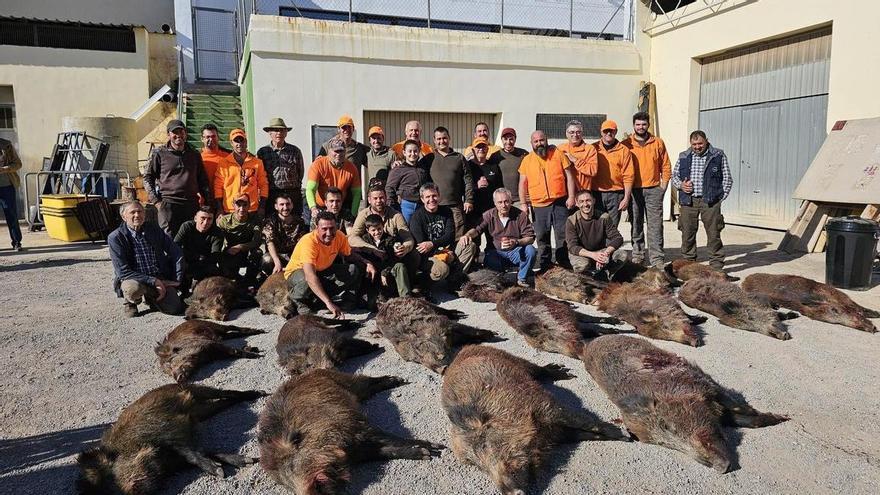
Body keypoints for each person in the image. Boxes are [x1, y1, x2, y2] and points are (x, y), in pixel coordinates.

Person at [284, 211, 377, 318]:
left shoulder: (339, 236)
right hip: (299, 274)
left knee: (353, 269)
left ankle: (348, 300)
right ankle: (297, 299)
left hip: (321, 271)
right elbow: (310, 276)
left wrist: (366, 262)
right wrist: (329, 302)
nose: (329, 233)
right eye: (324, 229)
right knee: (307, 280)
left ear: (336, 226)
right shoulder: (308, 242)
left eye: (332, 228)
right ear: (316, 228)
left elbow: (349, 254)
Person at [108, 201, 184, 317]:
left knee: (175, 308)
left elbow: (176, 251)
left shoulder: (153, 229)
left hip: (158, 275)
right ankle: (131, 302)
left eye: (140, 211)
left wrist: (176, 278)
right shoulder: (116, 237)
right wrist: (154, 282)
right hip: (134, 278)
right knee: (133, 289)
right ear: (124, 217)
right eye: (132, 212)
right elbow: (123, 271)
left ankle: (152, 297)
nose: (137, 215)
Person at [671, 130, 733, 269]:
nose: (697, 147)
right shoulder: (684, 156)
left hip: (710, 202)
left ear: (706, 141)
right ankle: (689, 264)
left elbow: (728, 178)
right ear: (690, 143)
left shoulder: (718, 155)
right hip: (688, 201)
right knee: (687, 233)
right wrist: (681, 185)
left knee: (713, 234)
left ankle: (716, 265)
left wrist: (719, 198)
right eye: (694, 144)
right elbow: (674, 175)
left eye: (700, 143)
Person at [518, 130, 577, 271]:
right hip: (538, 205)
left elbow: (569, 176)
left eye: (541, 140)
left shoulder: (558, 154)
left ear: (546, 140)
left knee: (562, 234)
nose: (539, 143)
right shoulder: (527, 160)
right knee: (542, 236)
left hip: (559, 202)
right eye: (536, 141)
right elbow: (522, 183)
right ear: (531, 143)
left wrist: (571, 196)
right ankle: (545, 264)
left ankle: (563, 262)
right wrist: (523, 204)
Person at [348, 186, 419, 296]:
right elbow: (353, 237)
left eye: (381, 198)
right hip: (372, 255)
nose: (378, 201)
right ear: (369, 199)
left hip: (391, 254)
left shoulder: (396, 215)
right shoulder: (363, 215)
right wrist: (372, 249)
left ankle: (410, 285)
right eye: (375, 198)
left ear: (386, 198)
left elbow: (408, 237)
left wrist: (405, 247)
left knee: (414, 254)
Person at [144, 119, 210, 237]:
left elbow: (202, 180)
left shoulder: (194, 154)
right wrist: (157, 202)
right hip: (169, 203)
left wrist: (208, 203)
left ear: (186, 134)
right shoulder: (159, 153)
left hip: (191, 204)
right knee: (168, 239)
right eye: (175, 132)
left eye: (181, 132)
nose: (178, 135)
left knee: (191, 238)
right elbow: (148, 178)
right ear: (168, 134)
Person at [459, 188, 536, 287]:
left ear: (511, 201)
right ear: (495, 203)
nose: (503, 205)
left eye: (506, 201)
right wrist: (467, 235)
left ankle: (522, 278)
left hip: (515, 251)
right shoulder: (488, 215)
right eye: (500, 202)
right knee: (495, 273)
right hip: (495, 252)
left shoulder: (520, 215)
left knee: (530, 250)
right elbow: (477, 229)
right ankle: (501, 278)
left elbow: (530, 238)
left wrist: (516, 242)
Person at [622, 112, 671, 267]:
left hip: (653, 189)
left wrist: (663, 186)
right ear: (633, 125)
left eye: (643, 124)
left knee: (655, 226)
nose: (640, 127)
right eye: (637, 124)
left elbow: (666, 166)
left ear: (648, 124)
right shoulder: (626, 144)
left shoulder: (658, 143)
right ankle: (638, 256)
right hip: (634, 191)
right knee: (636, 225)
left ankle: (657, 258)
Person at [408, 183, 476, 289]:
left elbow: (450, 235)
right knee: (442, 270)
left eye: (434, 195)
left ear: (439, 196)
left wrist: (434, 245)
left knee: (469, 246)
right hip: (428, 256)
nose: (432, 199)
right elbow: (421, 246)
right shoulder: (417, 217)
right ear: (422, 199)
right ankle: (422, 282)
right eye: (428, 197)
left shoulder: (446, 211)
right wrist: (440, 252)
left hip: (444, 249)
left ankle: (454, 280)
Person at [420, 126, 473, 239]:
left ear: (449, 139)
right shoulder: (429, 159)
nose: (442, 141)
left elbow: (468, 180)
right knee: (438, 238)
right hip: (435, 207)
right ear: (434, 140)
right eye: (438, 139)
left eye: (444, 138)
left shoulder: (459, 158)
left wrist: (469, 200)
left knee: (458, 238)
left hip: (455, 207)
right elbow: (416, 173)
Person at [350, 213, 413, 305]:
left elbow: (393, 259)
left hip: (387, 273)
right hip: (372, 275)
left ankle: (406, 298)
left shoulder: (390, 240)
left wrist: (385, 271)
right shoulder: (364, 241)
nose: (377, 232)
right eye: (373, 230)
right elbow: (361, 257)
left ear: (383, 226)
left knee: (400, 266)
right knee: (371, 305)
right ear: (367, 230)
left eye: (379, 229)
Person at [565, 190, 627, 276]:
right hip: (582, 253)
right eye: (581, 201)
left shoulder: (604, 217)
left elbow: (618, 238)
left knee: (622, 255)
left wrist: (605, 253)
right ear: (577, 204)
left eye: (588, 200)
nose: (585, 204)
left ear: (594, 201)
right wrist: (593, 255)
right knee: (582, 265)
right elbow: (572, 246)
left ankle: (608, 275)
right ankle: (586, 279)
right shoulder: (571, 220)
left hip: (601, 251)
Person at [214, 129, 269, 218]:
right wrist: (220, 208)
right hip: (230, 209)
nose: (239, 143)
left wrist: (262, 206)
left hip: (251, 209)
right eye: (236, 141)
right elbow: (218, 186)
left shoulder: (257, 163)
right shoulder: (223, 163)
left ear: (246, 142)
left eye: (242, 140)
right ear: (231, 143)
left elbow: (263, 185)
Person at [256, 117, 305, 217]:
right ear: (269, 133)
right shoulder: (262, 152)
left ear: (286, 133)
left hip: (292, 192)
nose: (279, 133)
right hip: (271, 193)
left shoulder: (295, 151)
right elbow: (260, 175)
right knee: (271, 221)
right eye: (276, 130)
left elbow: (300, 172)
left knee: (295, 220)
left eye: (282, 130)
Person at [306, 137, 361, 221]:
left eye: (341, 151)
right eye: (336, 151)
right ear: (328, 152)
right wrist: (313, 208)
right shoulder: (317, 165)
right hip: (320, 207)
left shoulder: (352, 168)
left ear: (345, 151)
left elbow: (357, 193)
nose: (338, 154)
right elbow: (310, 189)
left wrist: (353, 214)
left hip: (340, 207)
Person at [591, 120, 634, 227]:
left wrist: (626, 198)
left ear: (616, 132)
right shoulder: (593, 149)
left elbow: (628, 175)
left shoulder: (624, 151)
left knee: (612, 227)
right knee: (596, 226)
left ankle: (611, 244)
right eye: (606, 131)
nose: (609, 133)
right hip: (596, 193)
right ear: (601, 132)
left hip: (616, 194)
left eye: (612, 131)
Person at [216, 193, 263, 285]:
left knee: (258, 253)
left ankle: (250, 281)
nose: (241, 209)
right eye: (238, 205)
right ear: (233, 205)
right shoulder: (225, 221)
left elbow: (257, 241)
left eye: (245, 205)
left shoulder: (255, 219)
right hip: (230, 252)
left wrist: (241, 247)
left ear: (249, 205)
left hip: (247, 251)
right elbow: (217, 241)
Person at [174, 206, 224, 291]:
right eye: (203, 218)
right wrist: (194, 257)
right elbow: (175, 246)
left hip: (205, 262)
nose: (205, 222)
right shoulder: (187, 226)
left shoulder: (217, 232)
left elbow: (215, 255)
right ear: (195, 218)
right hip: (187, 259)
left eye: (209, 219)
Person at [466, 137, 503, 247]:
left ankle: (491, 259)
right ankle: (475, 260)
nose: (481, 149)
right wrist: (476, 186)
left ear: (487, 149)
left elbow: (499, 187)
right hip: (474, 209)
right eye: (478, 147)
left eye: (483, 147)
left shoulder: (494, 166)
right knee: (474, 238)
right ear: (473, 150)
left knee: (492, 237)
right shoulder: (468, 166)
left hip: (490, 208)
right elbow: (462, 186)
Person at [261, 193, 308, 276]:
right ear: (276, 206)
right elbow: (269, 242)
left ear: (292, 205)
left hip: (293, 256)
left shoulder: (299, 221)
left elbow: (302, 243)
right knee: (267, 260)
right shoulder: (270, 221)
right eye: (281, 204)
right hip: (277, 255)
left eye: (288, 204)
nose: (285, 208)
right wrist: (277, 261)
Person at [384, 139, 429, 222]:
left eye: (415, 151)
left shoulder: (422, 168)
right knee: (405, 230)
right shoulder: (398, 169)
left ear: (419, 151)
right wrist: (391, 206)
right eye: (410, 151)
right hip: (406, 205)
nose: (413, 154)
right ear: (404, 153)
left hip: (422, 205)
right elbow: (390, 188)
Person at [489, 127, 528, 208]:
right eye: (505, 139)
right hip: (502, 201)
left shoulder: (523, 154)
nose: (508, 142)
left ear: (515, 139)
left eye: (511, 139)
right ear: (502, 140)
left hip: (519, 200)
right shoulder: (495, 156)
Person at [558, 119, 599, 194]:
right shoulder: (560, 148)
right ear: (566, 134)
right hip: (564, 193)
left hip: (582, 192)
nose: (575, 135)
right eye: (572, 132)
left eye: (578, 132)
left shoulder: (589, 149)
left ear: (582, 133)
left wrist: (575, 160)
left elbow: (593, 171)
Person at [0, 137, 23, 251]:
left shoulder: (6, 145)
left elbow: (18, 164)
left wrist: (5, 169)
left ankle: (17, 242)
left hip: (6, 187)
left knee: (11, 215)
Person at [199, 123, 229, 199]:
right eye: (208, 137)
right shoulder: (197, 157)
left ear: (218, 137)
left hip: (225, 200)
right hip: (205, 201)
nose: (211, 139)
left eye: (213, 136)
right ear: (202, 139)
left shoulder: (228, 156)